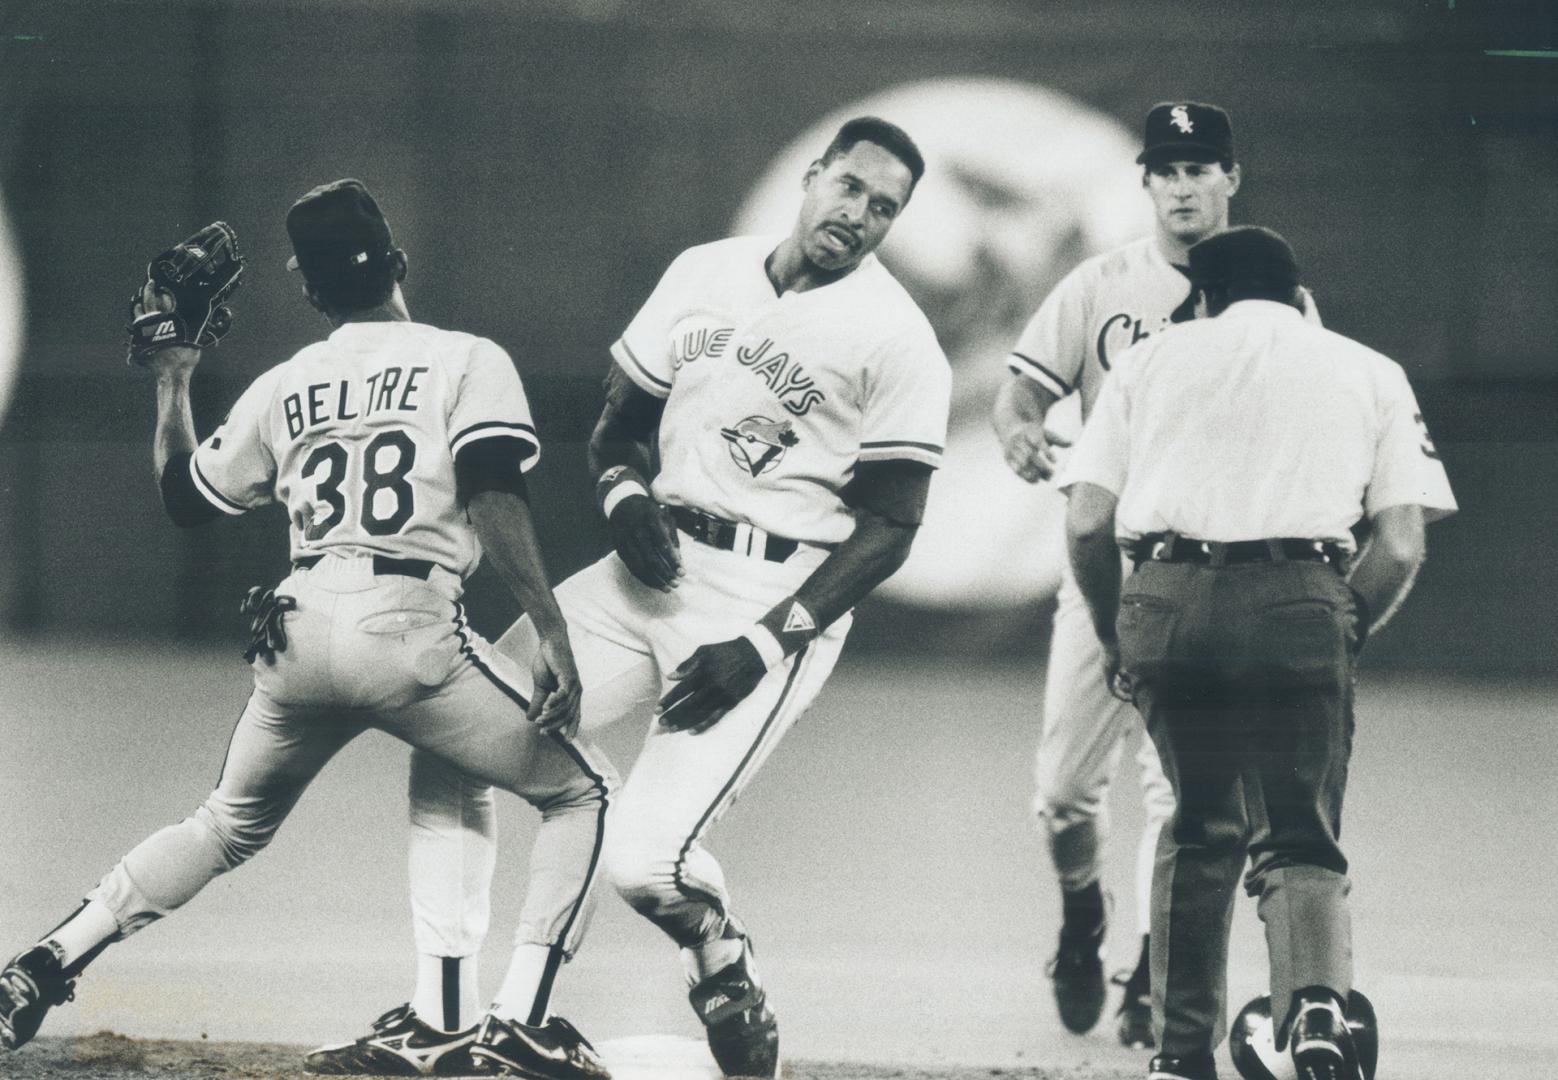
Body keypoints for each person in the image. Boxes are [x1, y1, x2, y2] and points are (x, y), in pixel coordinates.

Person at [305, 117, 951, 1079]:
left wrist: (770, 642)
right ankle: (447, 1018)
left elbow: (891, 527)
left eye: (884, 208)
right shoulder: (705, 271)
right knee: (454, 747)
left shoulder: (897, 340)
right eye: (850, 188)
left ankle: (722, 957)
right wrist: (622, 493)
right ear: (812, 175)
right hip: (646, 571)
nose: (858, 216)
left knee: (648, 866)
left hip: (768, 599)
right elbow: (617, 427)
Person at [0, 180, 617, 1080]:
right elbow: (490, 490)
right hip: (409, 632)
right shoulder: (466, 357)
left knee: (222, 826)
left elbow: (185, 500)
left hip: (297, 628)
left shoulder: (287, 382)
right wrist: (550, 629)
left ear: (310, 289)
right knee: (585, 794)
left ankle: (42, 965)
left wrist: (173, 381)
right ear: (397, 265)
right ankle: (517, 1023)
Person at [1058, 226, 1456, 1080]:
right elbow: (1401, 543)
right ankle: (1314, 1011)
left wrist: (1112, 625)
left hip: (1167, 602)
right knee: (1299, 832)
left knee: (1198, 830)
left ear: (1202, 295)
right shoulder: (1367, 367)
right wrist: (1340, 628)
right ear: (1296, 294)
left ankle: (1178, 1057)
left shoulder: (1148, 362)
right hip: (1297, 597)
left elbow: (1088, 520)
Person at [990, 101, 1319, 1047]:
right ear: (1146, 182)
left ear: (1231, 178)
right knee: (1060, 793)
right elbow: (1024, 391)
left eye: (1200, 167)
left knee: (1180, 793)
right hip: (1107, 562)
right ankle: (1084, 912)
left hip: (1215, 572)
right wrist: (1017, 430)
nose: (1182, 185)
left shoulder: (1282, 299)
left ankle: (1152, 967)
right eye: (1166, 169)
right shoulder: (1100, 285)